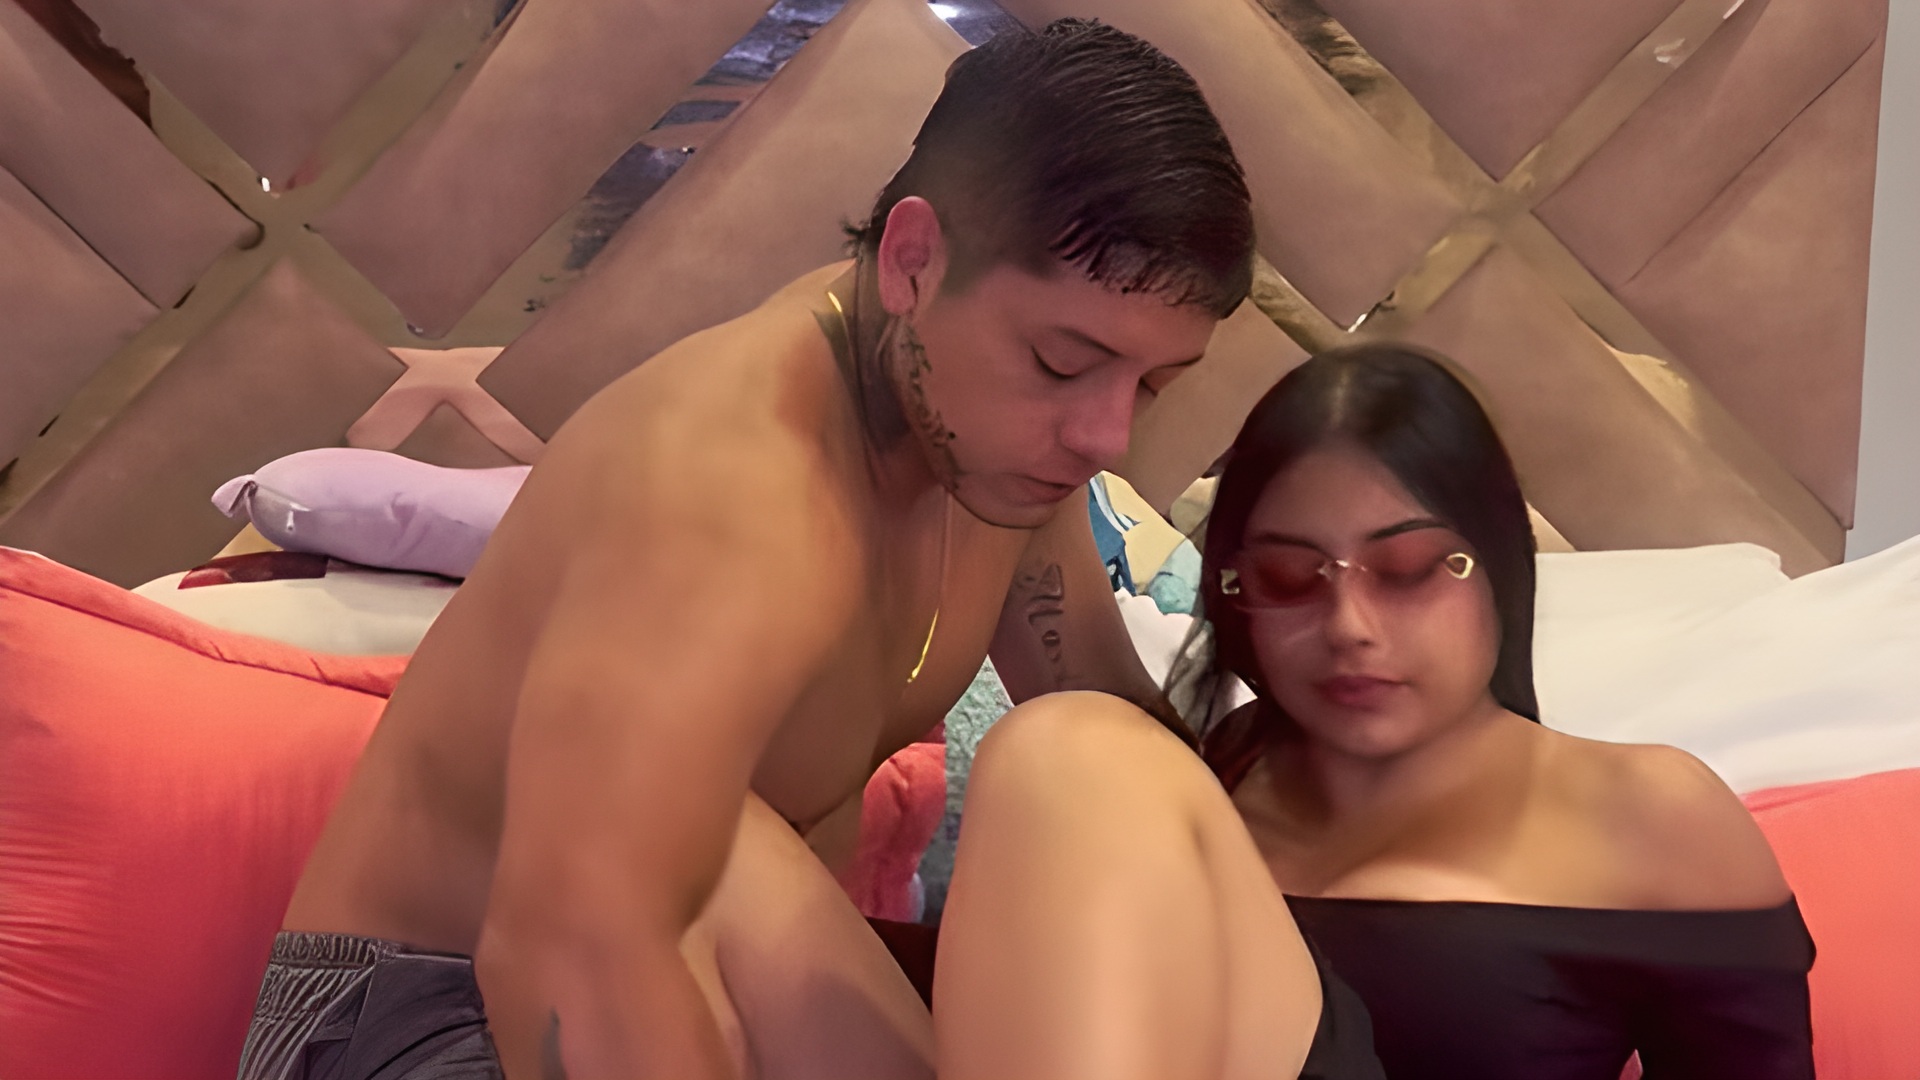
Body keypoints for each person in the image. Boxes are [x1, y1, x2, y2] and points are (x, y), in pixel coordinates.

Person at [237, 19, 1352, 1080]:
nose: (1105, 436)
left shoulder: (993, 449)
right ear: (912, 261)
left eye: (1153, 384)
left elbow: (1115, 744)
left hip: (697, 981)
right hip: (429, 1013)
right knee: (715, 850)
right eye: (1065, 362)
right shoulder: (730, 493)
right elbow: (568, 955)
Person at [955, 341, 1813, 1080]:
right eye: (1289, 578)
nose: (1350, 627)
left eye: (1408, 570)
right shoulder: (1208, 787)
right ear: (1235, 594)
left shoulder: (1653, 816)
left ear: (1499, 567)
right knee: (1058, 749)